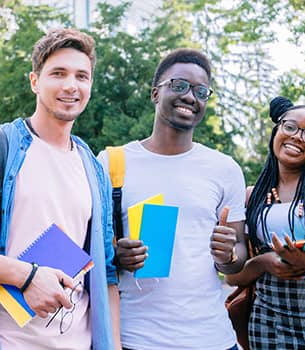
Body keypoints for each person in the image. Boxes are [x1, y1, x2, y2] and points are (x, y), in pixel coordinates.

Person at [98, 48, 247, 350]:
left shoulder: (224, 168)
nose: (190, 97)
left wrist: (228, 256)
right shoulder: (111, 163)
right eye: (179, 85)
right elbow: (90, 247)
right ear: (155, 93)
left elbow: (238, 260)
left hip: (212, 338)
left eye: (201, 91)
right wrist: (117, 255)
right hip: (134, 339)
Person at [0, 28, 121, 350]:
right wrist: (25, 276)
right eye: (58, 73)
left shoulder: (94, 168)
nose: (71, 85)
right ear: (34, 81)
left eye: (82, 76)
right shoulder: (4, 147)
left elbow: (106, 273)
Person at [226, 96, 305, 349]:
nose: (296, 137)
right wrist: (263, 262)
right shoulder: (253, 195)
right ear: (277, 130)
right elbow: (233, 277)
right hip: (268, 322)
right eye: (290, 127)